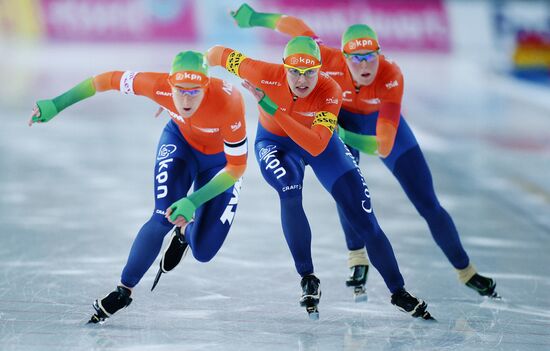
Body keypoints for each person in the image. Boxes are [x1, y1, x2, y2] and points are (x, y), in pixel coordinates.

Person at [229, 3, 499, 300]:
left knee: (426, 201)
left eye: (370, 57)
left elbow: (382, 145)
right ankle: (357, 257)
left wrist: (342, 133)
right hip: (341, 121)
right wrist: (255, 18)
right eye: (355, 59)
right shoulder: (326, 60)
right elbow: (294, 26)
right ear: (343, 58)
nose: (364, 66)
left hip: (377, 129)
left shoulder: (391, 75)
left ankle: (466, 270)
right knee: (349, 189)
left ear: (379, 55)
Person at [207, 36, 434, 320]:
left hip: (320, 144)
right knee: (290, 190)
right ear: (283, 67)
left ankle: (398, 291)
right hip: (276, 145)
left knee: (364, 218)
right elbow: (215, 53)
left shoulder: (330, 90)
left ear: (320, 69)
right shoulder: (261, 72)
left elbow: (316, 145)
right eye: (295, 72)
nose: (302, 81)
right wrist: (195, 87)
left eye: (310, 72)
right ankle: (308, 277)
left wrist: (273, 109)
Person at [29, 51, 248, 323]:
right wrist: (57, 104)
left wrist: (194, 201)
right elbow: (104, 80)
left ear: (207, 86)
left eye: (194, 92)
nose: (186, 99)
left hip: (221, 165)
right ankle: (123, 291)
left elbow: (237, 167)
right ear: (170, 84)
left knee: (204, 251)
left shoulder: (230, 101)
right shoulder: (156, 85)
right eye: (180, 91)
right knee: (161, 216)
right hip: (181, 145)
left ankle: (185, 233)